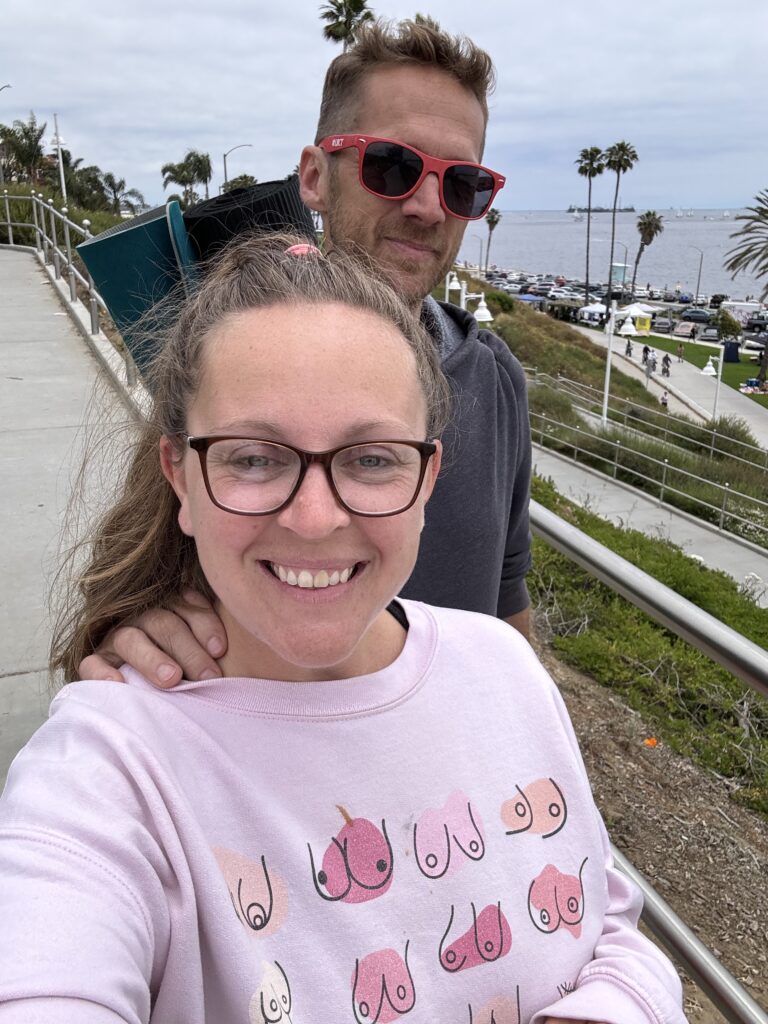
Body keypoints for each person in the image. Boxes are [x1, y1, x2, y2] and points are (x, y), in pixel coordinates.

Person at [0, 235, 687, 1024]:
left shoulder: (503, 667)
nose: (317, 518)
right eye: (254, 459)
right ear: (180, 477)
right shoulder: (109, 764)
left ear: (427, 478)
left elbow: (605, 918)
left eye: (370, 460)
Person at [78, 17, 533, 690]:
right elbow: (127, 588)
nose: (430, 207)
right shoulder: (231, 364)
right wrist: (135, 631)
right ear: (315, 177)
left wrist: (532, 725)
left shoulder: (494, 378)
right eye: (393, 167)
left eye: (462, 184)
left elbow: (506, 596)